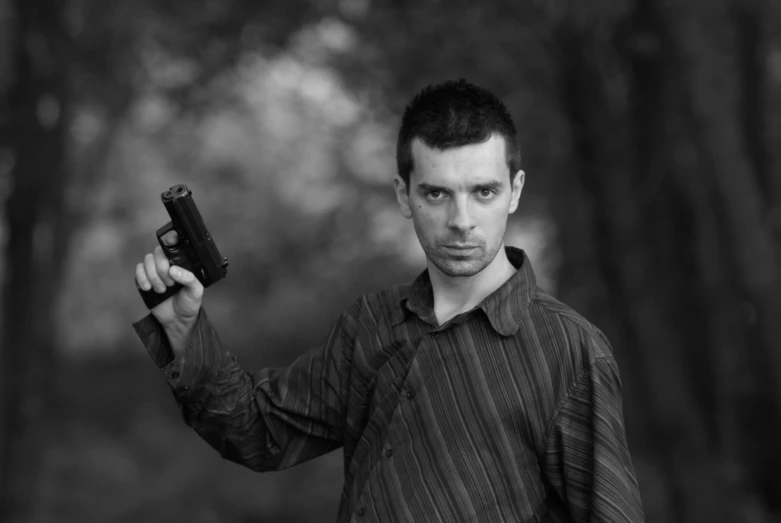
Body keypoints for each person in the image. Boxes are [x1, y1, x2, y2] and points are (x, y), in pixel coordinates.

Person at [133, 79, 645, 522]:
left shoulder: (570, 350)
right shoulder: (371, 324)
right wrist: (184, 327)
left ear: (514, 191)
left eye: (483, 192)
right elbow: (258, 433)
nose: (461, 220)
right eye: (437, 194)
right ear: (404, 195)